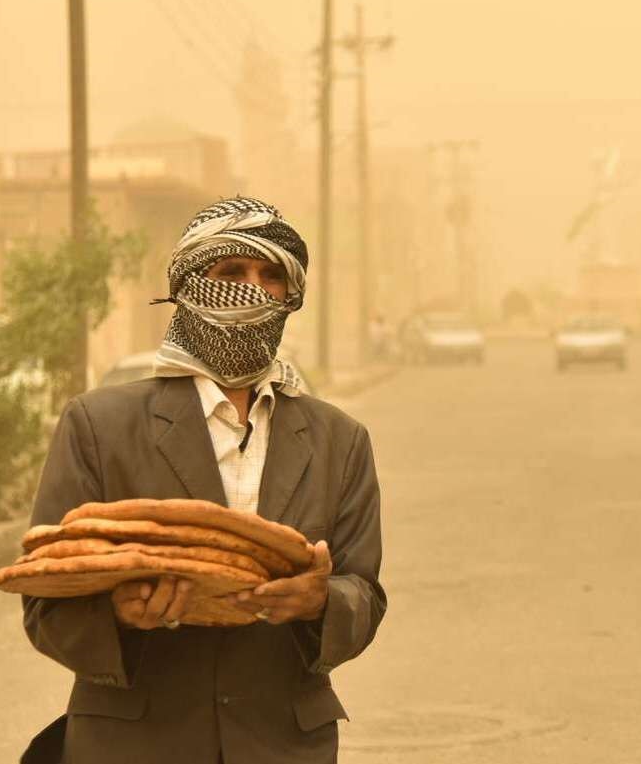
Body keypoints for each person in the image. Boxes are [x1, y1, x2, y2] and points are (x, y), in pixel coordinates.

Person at [20, 197, 385, 764]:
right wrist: (121, 612)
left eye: (270, 275)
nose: (253, 289)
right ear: (188, 285)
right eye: (230, 272)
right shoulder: (98, 425)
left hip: (283, 747)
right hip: (133, 746)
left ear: (291, 296)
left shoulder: (341, 440)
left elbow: (365, 592)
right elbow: (45, 605)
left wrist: (321, 601)